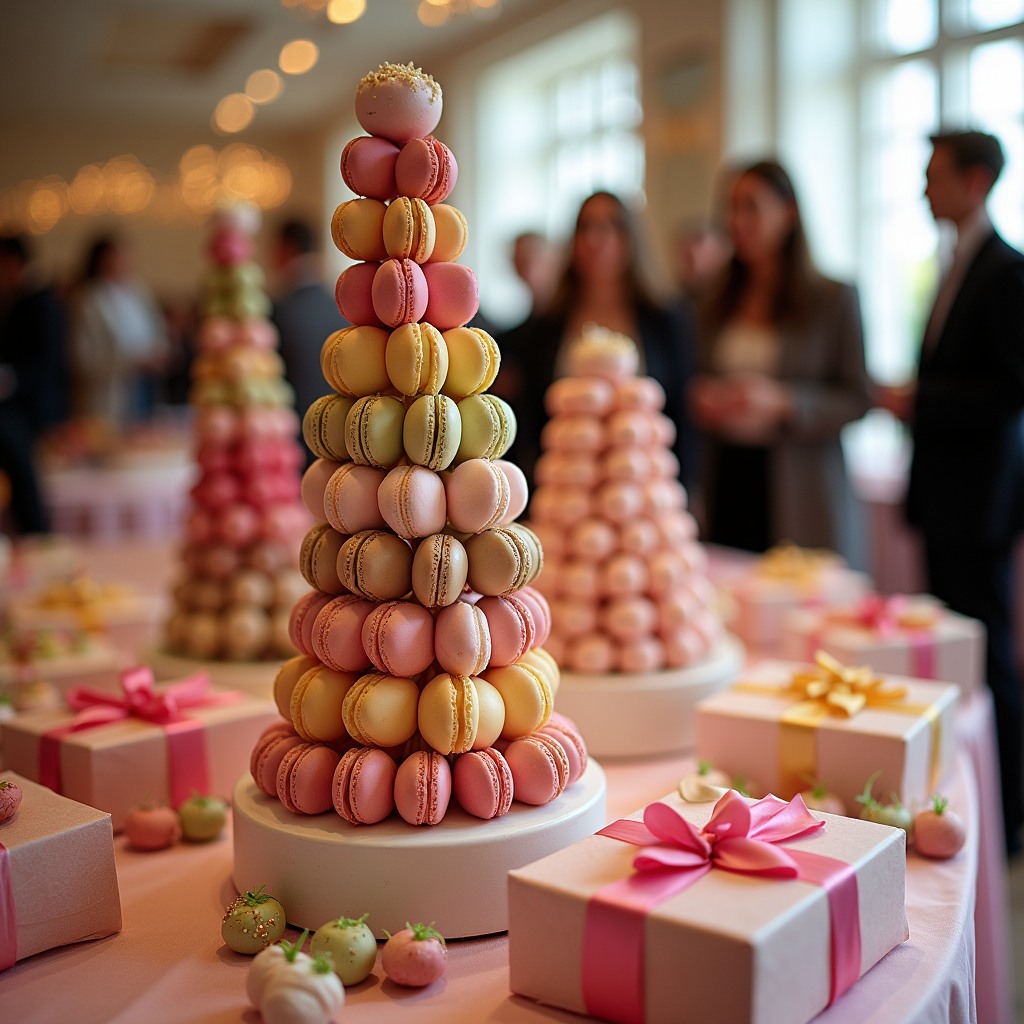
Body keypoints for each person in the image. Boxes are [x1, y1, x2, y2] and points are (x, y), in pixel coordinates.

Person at [879, 129, 1024, 857]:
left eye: (933, 174)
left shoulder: (1006, 269)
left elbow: (1011, 389)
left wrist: (921, 399)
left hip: (981, 497)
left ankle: (1009, 811)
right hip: (949, 490)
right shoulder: (955, 261)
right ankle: (973, 795)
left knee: (988, 651)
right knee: (958, 647)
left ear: (975, 181)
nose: (922, 187)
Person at [688, 159, 871, 568]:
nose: (738, 220)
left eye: (751, 206)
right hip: (727, 475)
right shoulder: (713, 301)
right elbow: (691, 377)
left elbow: (859, 398)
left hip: (799, 484)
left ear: (789, 212)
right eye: (731, 207)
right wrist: (701, 396)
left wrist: (784, 402)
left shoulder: (833, 298)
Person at [498, 190, 698, 492]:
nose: (597, 239)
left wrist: (689, 488)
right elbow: (531, 417)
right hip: (563, 493)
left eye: (611, 225)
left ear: (631, 237)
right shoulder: (548, 325)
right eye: (587, 227)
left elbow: (683, 413)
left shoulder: (664, 320)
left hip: (646, 492)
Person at [0, 235, 69, 534]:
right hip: (21, 404)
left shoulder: (40, 301)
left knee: (27, 479)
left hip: (30, 406)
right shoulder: (19, 298)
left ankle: (36, 537)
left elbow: (47, 361)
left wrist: (9, 377)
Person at [69, 233, 169, 429]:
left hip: (143, 386)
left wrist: (160, 352)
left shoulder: (138, 291)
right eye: (117, 256)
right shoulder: (88, 301)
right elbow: (82, 360)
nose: (124, 261)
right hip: (108, 395)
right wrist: (131, 361)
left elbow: (157, 331)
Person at [270, 218, 345, 467]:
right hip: (338, 430)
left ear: (286, 248)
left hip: (293, 439)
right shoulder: (340, 306)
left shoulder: (281, 309)